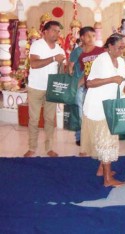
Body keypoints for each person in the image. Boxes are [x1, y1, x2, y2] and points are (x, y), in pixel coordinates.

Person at [81, 33, 125, 187]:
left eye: (123, 47)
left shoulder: (121, 62)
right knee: (106, 141)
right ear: (110, 46)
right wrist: (111, 79)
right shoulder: (101, 60)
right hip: (98, 106)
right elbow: (89, 83)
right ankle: (107, 180)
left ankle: (101, 170)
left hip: (112, 106)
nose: (121, 50)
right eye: (119, 47)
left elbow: (122, 84)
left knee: (108, 140)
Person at [24, 21, 65, 157]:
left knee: (50, 119)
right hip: (35, 87)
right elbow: (34, 64)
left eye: (58, 31)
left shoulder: (60, 49)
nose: (57, 34)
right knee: (34, 119)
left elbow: (62, 70)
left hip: (51, 89)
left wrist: (67, 66)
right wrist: (54, 58)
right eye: (54, 30)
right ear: (45, 32)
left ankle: (49, 148)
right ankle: (32, 147)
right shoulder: (37, 45)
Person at [76, 26, 105, 148]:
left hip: (98, 86)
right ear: (82, 37)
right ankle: (83, 135)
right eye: (88, 36)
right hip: (86, 85)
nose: (92, 38)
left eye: (93, 36)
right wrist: (76, 86)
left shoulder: (101, 51)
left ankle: (98, 136)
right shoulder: (79, 53)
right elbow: (82, 72)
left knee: (97, 111)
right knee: (82, 109)